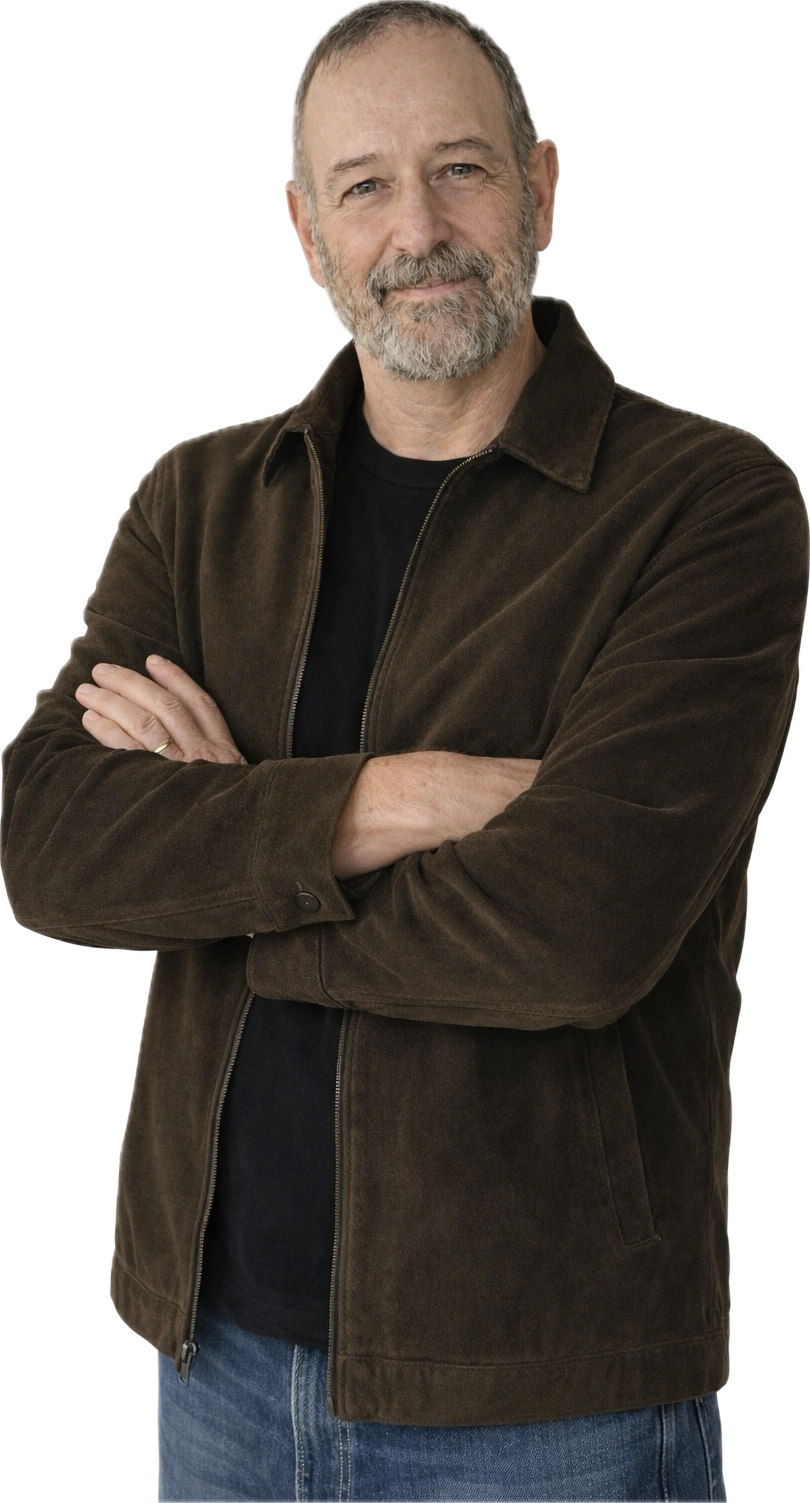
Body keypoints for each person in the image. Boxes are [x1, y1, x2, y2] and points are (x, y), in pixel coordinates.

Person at [2, 2, 806, 1498]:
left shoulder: (703, 503)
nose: (419, 229)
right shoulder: (202, 501)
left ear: (541, 184)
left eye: (461, 169)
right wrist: (390, 800)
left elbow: (578, 929)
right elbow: (50, 847)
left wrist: (228, 855)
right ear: (306, 227)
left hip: (544, 1389)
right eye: (365, 185)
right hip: (220, 1362)